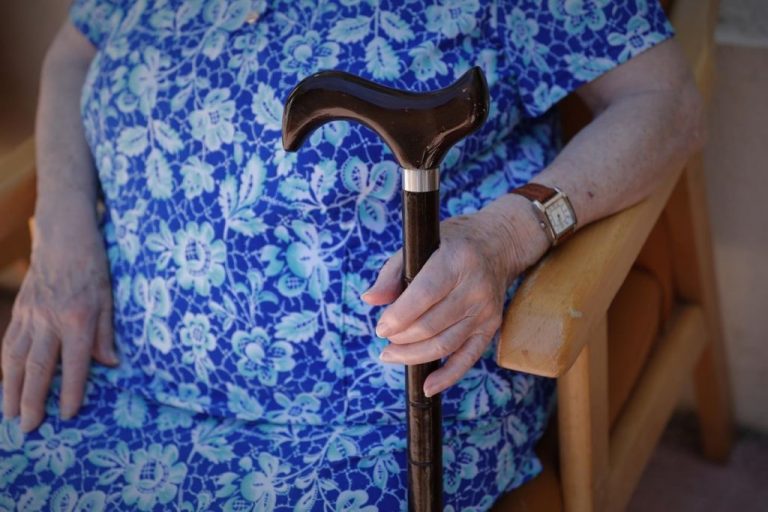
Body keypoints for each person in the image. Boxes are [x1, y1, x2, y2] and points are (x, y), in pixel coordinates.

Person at [0, 0, 702, 510]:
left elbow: (663, 102)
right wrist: (61, 229)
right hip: (112, 371)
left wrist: (509, 234)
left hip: (371, 412)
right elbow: (76, 51)